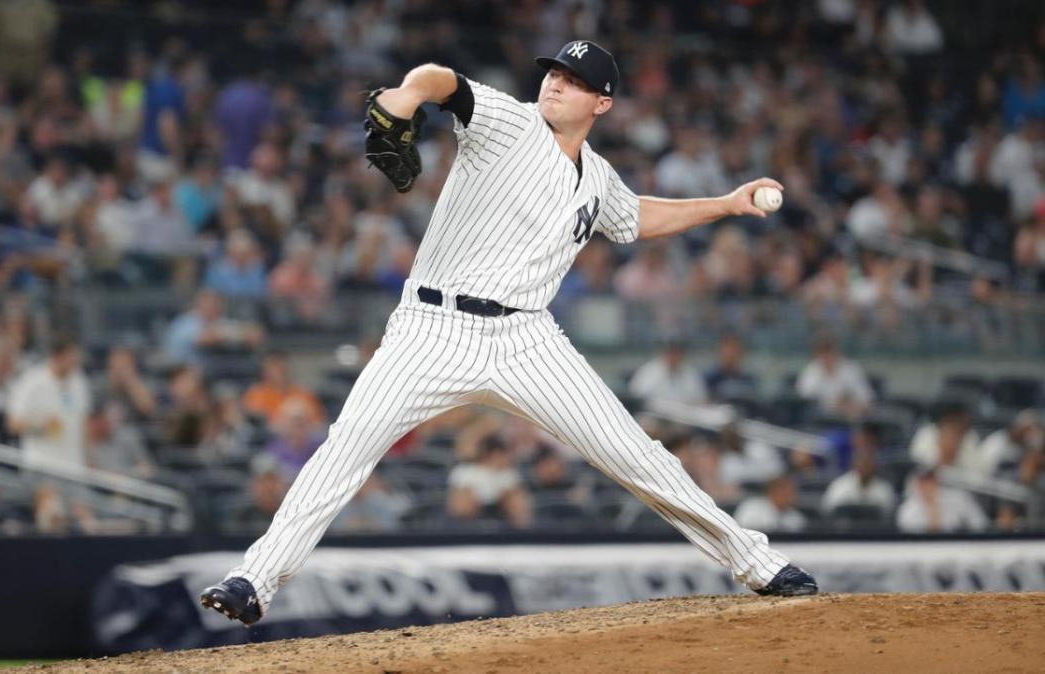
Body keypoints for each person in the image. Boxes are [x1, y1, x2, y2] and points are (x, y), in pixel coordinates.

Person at [202, 40, 816, 627]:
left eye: (575, 81)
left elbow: (635, 218)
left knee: (637, 454)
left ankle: (757, 562)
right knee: (345, 451)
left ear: (601, 104)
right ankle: (254, 580)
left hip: (527, 339)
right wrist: (409, 94)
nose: (556, 81)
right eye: (554, 72)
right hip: (431, 330)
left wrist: (727, 204)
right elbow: (446, 83)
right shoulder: (509, 122)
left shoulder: (597, 177)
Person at [6, 334, 92, 472]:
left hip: (74, 468)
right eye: (71, 356)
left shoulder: (79, 381)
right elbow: (12, 424)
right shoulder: (31, 381)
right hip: (41, 465)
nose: (75, 360)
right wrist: (41, 426)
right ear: (57, 356)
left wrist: (88, 460)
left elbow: (84, 424)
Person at [795, 333, 874, 418]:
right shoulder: (810, 371)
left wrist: (851, 404)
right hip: (819, 421)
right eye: (821, 351)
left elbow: (866, 399)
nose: (826, 355)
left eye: (829, 350)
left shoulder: (851, 369)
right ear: (815, 353)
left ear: (836, 350)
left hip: (849, 418)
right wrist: (834, 405)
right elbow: (804, 398)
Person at [241, 351, 325, 427]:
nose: (279, 369)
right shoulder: (256, 395)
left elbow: (317, 422)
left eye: (282, 365)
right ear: (264, 370)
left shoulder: (304, 394)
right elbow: (255, 423)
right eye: (274, 365)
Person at [896, 468, 988, 533]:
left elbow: (980, 524)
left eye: (930, 480)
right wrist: (932, 507)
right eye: (923, 482)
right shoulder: (907, 510)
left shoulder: (958, 498)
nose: (927, 486)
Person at [821, 446, 898, 518]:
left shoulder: (884, 488)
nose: (864, 466)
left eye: (867, 463)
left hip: (875, 531)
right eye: (861, 461)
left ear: (873, 465)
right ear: (854, 464)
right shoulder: (840, 485)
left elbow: (889, 513)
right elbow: (828, 509)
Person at [628, 338, 708, 405]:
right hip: (655, 417)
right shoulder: (648, 372)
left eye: (677, 352)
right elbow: (637, 400)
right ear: (663, 352)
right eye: (670, 352)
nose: (673, 356)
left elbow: (701, 399)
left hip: (684, 418)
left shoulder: (691, 374)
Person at [733, 475, 808, 533]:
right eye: (785, 491)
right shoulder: (751, 507)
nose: (791, 496)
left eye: (791, 492)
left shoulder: (795, 517)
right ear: (773, 491)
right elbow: (741, 531)